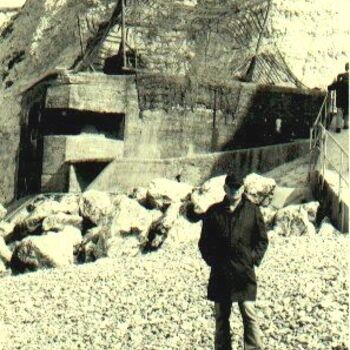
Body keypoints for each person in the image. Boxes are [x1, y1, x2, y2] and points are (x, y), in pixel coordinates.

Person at [198, 174, 269, 350]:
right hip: (221, 274)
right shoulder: (213, 212)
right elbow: (204, 242)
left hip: (244, 274)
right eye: (231, 187)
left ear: (243, 189)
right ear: (225, 188)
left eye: (238, 187)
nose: (234, 190)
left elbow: (262, 240)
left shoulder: (252, 211)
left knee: (249, 314)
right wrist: (213, 261)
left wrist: (252, 259)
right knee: (221, 318)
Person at [327, 63, 349, 133]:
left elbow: (330, 87)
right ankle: (346, 125)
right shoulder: (348, 82)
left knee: (339, 113)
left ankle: (338, 128)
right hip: (347, 100)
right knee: (346, 112)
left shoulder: (339, 82)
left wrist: (332, 83)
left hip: (339, 100)